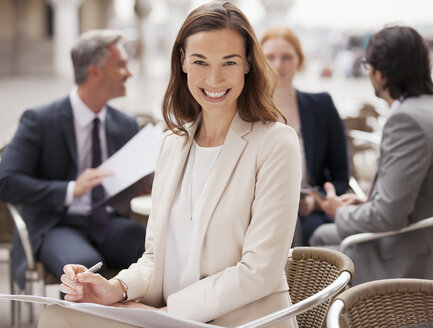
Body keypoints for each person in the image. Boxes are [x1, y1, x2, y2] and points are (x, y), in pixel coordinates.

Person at [38, 2, 301, 327]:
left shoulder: (276, 143)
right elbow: (154, 258)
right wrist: (116, 288)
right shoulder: (171, 145)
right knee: (57, 315)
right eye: (200, 61)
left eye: (229, 62)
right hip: (164, 316)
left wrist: (162, 315)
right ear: (183, 62)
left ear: (247, 63)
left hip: (239, 321)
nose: (214, 78)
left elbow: (259, 272)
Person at [0, 29, 147, 290]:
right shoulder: (39, 120)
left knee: (163, 250)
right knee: (84, 268)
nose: (129, 73)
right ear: (95, 72)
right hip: (57, 224)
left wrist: (146, 184)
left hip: (110, 223)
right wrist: (70, 190)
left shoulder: (125, 124)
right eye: (121, 64)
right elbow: (6, 181)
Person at [309, 26, 433, 285]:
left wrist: (337, 211)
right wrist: (365, 204)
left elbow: (388, 216)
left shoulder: (406, 120)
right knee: (322, 236)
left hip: (417, 257)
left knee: (316, 245)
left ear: (379, 74)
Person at [260, 26, 349, 246]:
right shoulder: (247, 113)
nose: (278, 65)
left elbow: (340, 176)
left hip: (309, 212)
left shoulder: (322, 106)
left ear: (300, 61)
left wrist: (315, 200)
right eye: (270, 57)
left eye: (287, 57)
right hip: (262, 211)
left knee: (310, 234)